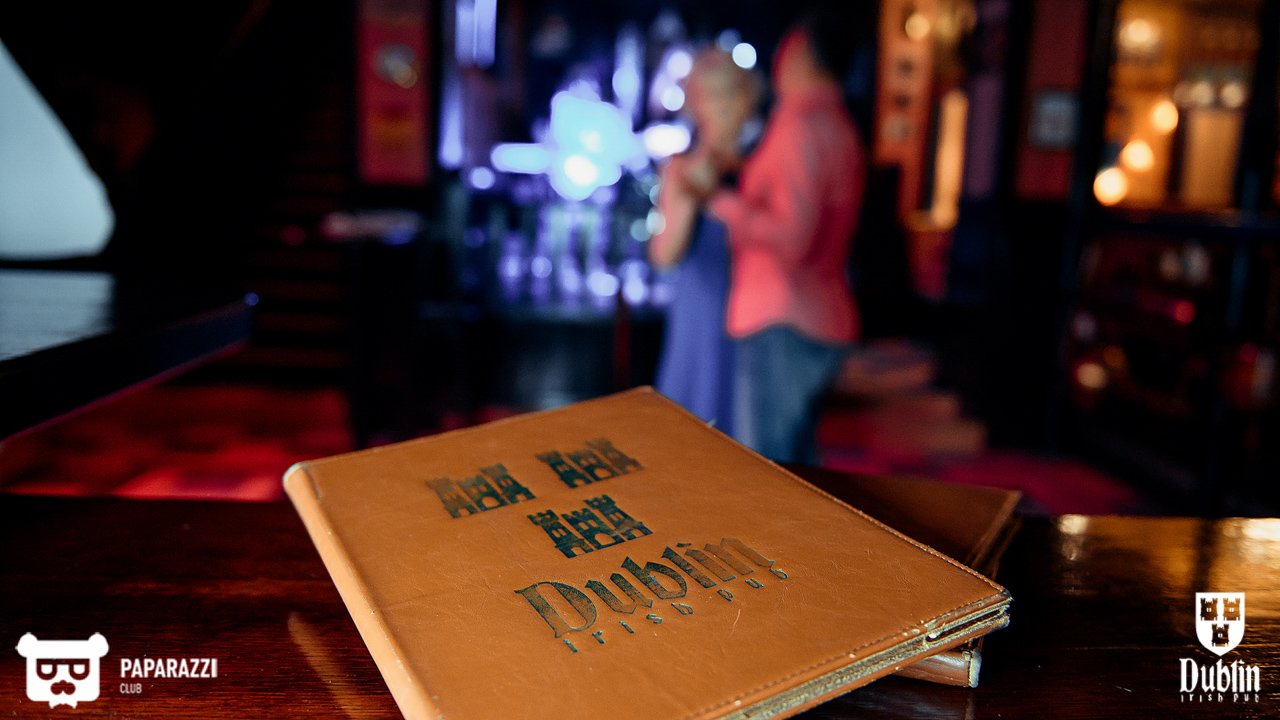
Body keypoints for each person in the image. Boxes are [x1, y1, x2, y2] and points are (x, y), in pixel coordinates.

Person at [707, 19, 864, 463]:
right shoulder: (840, 124)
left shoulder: (799, 123)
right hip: (822, 313)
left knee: (767, 473)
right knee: (798, 469)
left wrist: (720, 202)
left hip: (782, 316)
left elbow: (793, 236)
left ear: (801, 52)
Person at [650, 49, 760, 435]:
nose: (723, 106)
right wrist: (691, 195)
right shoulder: (681, 168)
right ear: (695, 103)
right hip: (701, 307)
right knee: (692, 421)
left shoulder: (759, 167)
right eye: (712, 96)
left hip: (753, 314)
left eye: (730, 94)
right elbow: (664, 255)